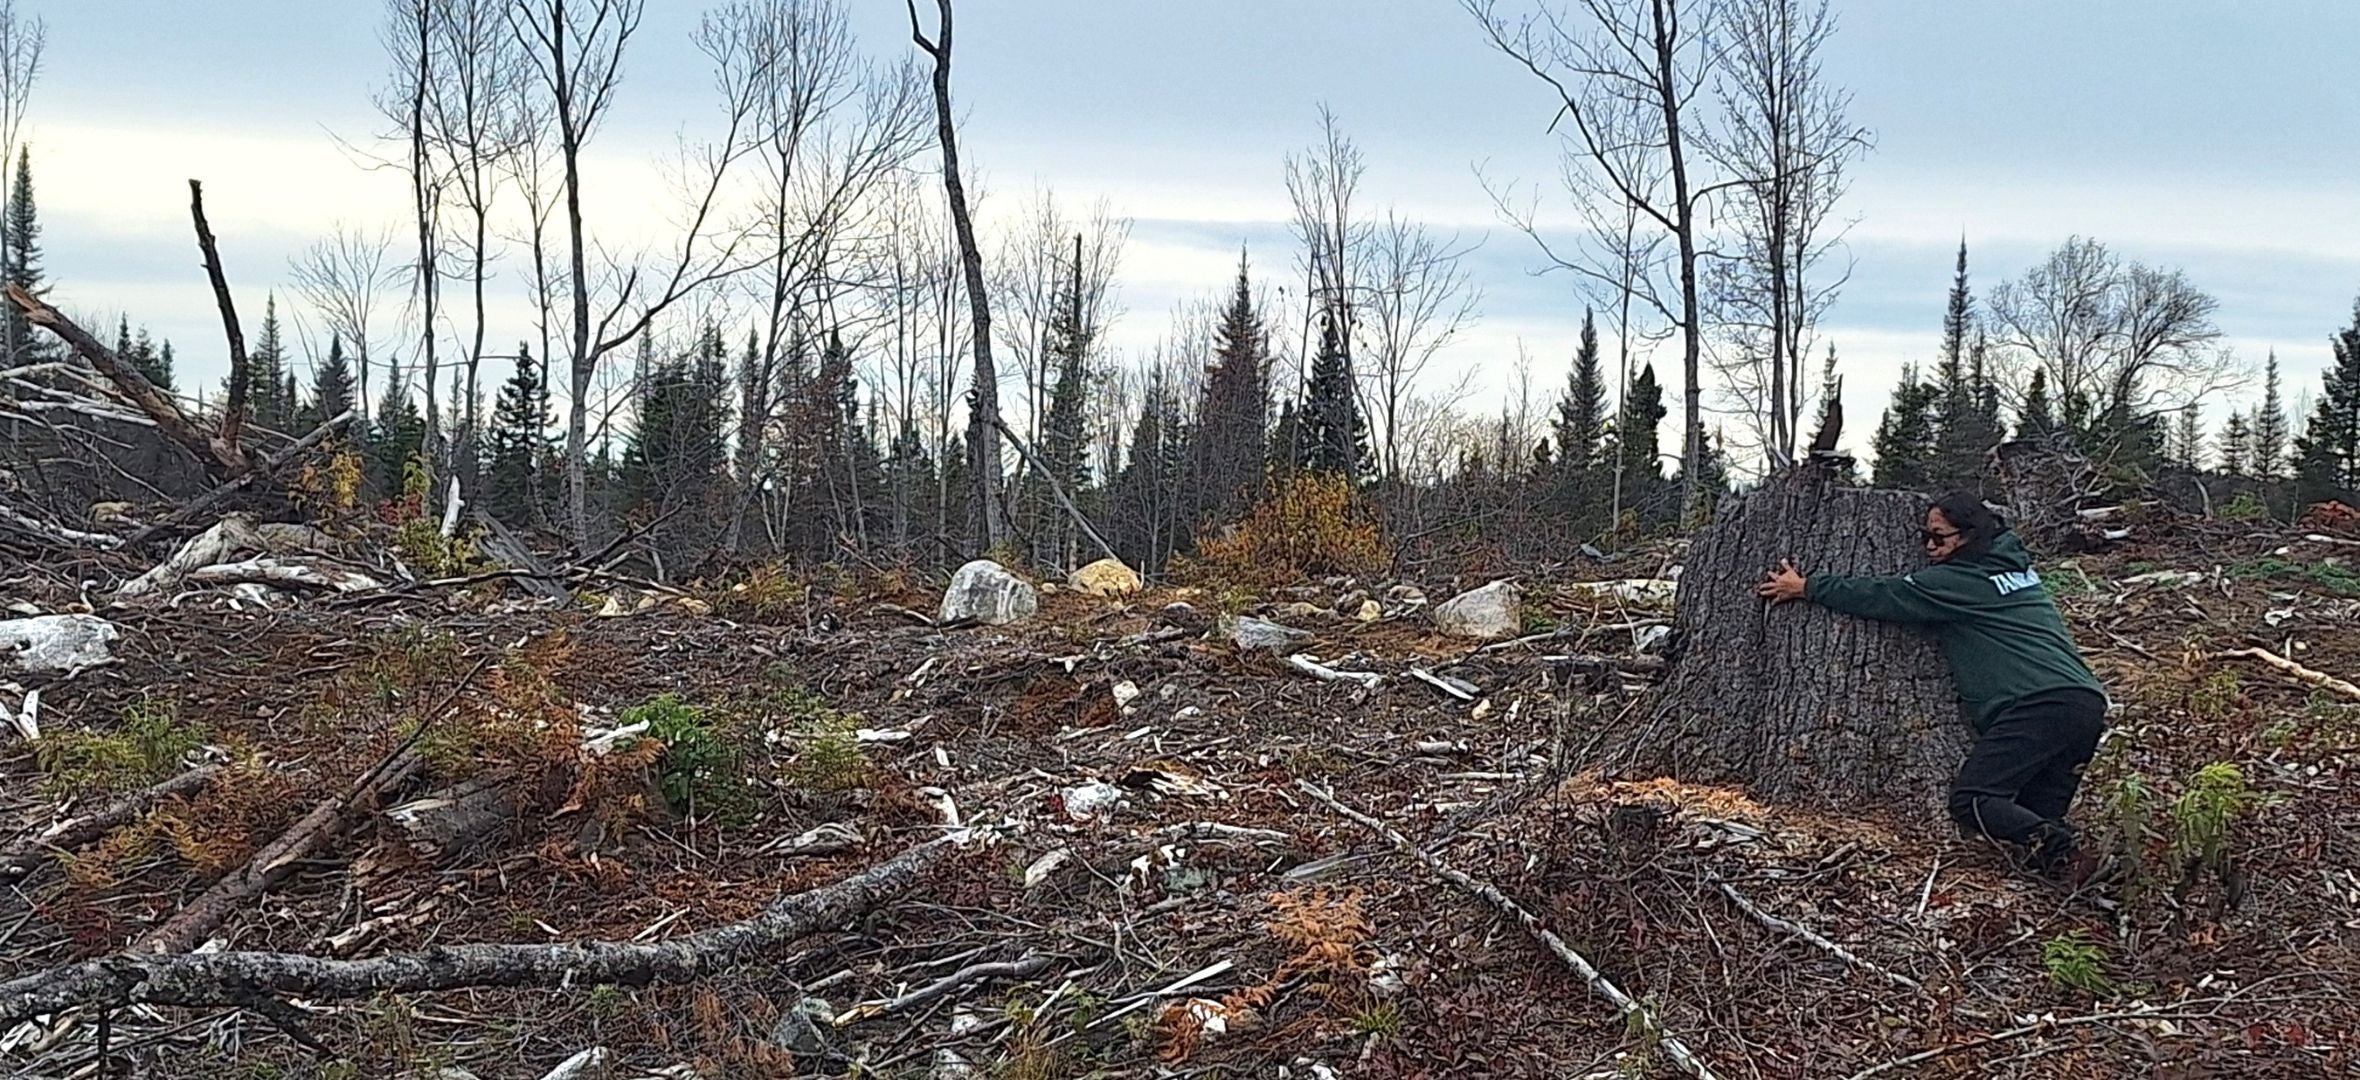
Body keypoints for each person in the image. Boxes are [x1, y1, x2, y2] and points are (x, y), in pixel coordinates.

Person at [1755, 491, 2108, 881]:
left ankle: (2072, 854)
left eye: (1938, 537)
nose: (1927, 545)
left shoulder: (1959, 582)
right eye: (1924, 535)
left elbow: (1886, 595)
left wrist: (1809, 587)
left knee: (1974, 801)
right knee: (2034, 813)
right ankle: (2075, 891)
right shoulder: (2014, 568)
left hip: (2038, 703)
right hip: (2084, 701)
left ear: (1970, 535)